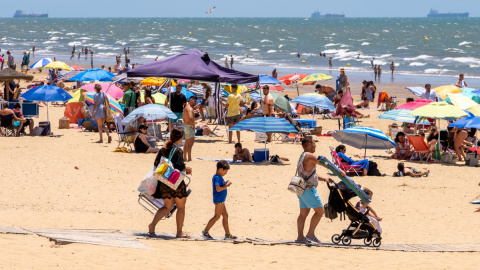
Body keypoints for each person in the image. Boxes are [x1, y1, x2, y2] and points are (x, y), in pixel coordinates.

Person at [296, 136, 343, 244]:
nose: (315, 145)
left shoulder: (302, 156)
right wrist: (339, 171)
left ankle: (300, 237)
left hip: (301, 189)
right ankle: (310, 234)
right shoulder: (310, 156)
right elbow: (325, 164)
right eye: (314, 143)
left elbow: (309, 174)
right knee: (320, 211)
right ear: (309, 144)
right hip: (308, 190)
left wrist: (324, 179)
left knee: (303, 214)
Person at [149, 128, 192, 238]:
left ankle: (152, 225)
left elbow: (156, 163)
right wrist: (187, 169)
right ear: (181, 137)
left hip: (164, 182)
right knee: (181, 207)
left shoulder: (163, 149)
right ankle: (179, 232)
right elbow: (180, 166)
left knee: (167, 207)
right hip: (175, 182)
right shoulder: (178, 150)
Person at [202, 160, 236, 239]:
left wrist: (225, 183)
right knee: (216, 216)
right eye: (225, 171)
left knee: (225, 216)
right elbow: (218, 189)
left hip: (221, 200)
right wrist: (226, 186)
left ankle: (228, 234)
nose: (226, 173)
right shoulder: (217, 177)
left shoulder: (219, 177)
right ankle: (205, 232)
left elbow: (220, 186)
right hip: (219, 200)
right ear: (221, 169)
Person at [183, 96, 196, 162]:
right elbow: (190, 118)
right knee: (190, 144)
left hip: (186, 126)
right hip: (190, 126)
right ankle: (189, 158)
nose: (195, 102)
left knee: (186, 143)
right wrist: (193, 125)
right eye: (194, 101)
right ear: (191, 100)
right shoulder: (190, 109)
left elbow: (184, 118)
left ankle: (185, 157)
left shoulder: (186, 108)